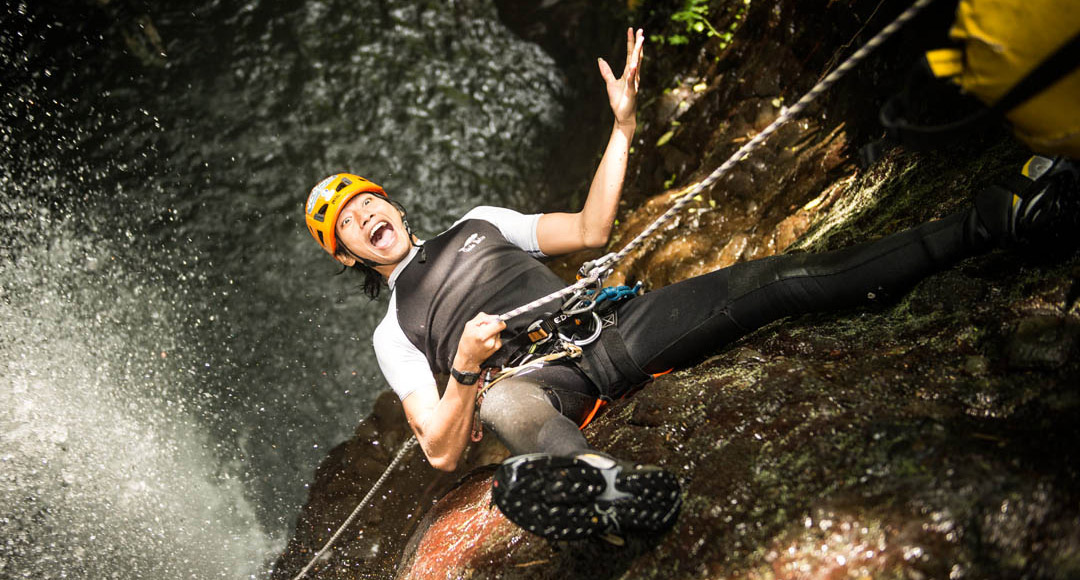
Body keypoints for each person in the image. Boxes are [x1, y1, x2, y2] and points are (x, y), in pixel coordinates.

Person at [302, 29, 1078, 543]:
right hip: (532, 379)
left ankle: (995, 219)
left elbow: (590, 230)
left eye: (370, 200)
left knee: (775, 282)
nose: (367, 215)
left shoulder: (478, 222)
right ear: (349, 258)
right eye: (349, 223)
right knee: (510, 407)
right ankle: (609, 493)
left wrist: (624, 129)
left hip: (611, 324)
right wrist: (467, 366)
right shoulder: (393, 332)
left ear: (393, 204)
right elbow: (440, 450)